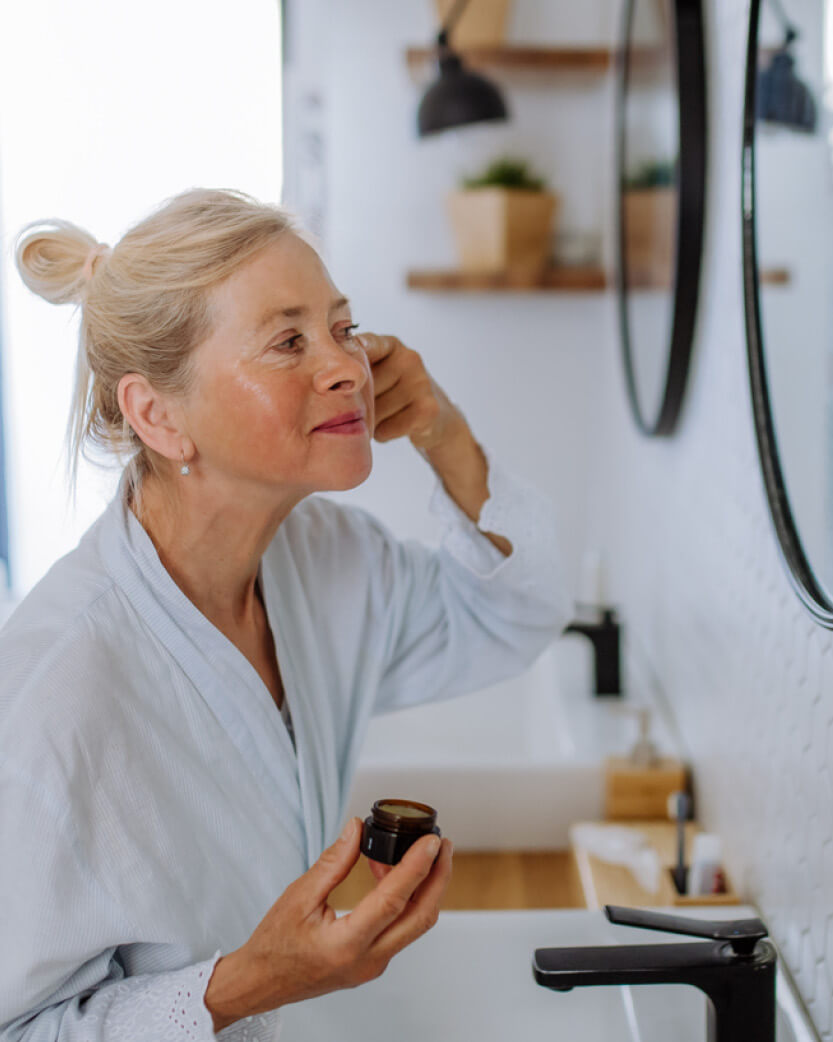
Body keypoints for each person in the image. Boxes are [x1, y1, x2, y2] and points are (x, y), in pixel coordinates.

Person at [0, 188, 567, 1042]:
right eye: (287, 342)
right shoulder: (53, 697)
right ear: (158, 416)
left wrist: (442, 431)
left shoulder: (321, 560)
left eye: (343, 328)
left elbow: (508, 616)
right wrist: (247, 984)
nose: (346, 365)